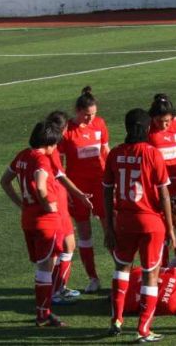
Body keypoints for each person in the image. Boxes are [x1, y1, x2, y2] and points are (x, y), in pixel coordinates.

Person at [103, 108, 176, 343]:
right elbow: (164, 195)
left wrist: (109, 226)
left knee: (121, 269)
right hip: (151, 222)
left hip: (123, 221)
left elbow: (107, 191)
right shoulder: (152, 154)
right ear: (147, 129)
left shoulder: (114, 154)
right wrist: (171, 228)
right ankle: (143, 329)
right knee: (150, 275)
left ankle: (116, 319)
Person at [0, 122, 67, 327]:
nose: (55, 148)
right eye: (54, 144)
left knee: (41, 268)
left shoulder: (22, 155)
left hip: (28, 219)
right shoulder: (41, 160)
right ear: (48, 143)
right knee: (46, 268)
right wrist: (48, 205)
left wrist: (21, 203)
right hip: (45, 221)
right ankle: (44, 315)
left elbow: (4, 181)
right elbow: (40, 185)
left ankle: (42, 312)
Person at [57, 86, 110, 293]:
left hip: (100, 186)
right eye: (87, 115)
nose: (91, 119)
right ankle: (93, 278)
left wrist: (110, 180)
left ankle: (120, 273)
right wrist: (67, 190)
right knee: (85, 233)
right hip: (77, 188)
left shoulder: (100, 124)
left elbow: (106, 151)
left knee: (110, 230)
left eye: (94, 114)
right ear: (77, 111)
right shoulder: (67, 131)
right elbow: (59, 164)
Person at [45, 111, 94, 304]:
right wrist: (79, 194)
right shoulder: (53, 152)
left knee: (60, 248)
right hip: (58, 203)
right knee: (66, 246)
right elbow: (61, 176)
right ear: (63, 129)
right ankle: (57, 291)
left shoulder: (37, 151)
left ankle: (55, 289)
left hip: (57, 202)